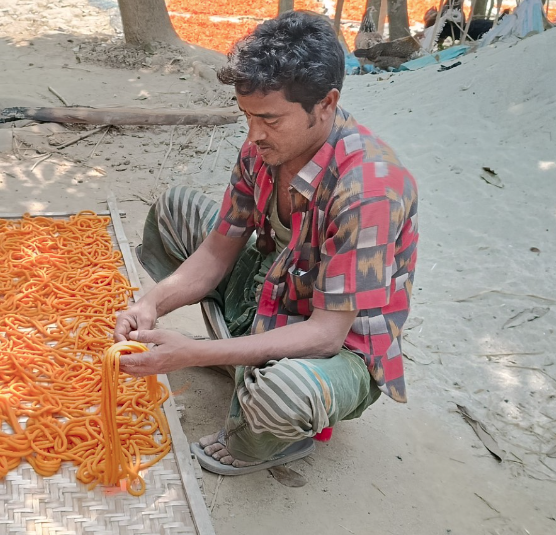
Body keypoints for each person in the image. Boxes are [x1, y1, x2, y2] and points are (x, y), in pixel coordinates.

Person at [114, 11, 418, 475]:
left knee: (282, 394)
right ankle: (239, 357)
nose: (253, 135)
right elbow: (218, 250)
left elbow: (324, 334)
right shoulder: (263, 149)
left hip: (335, 342)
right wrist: (151, 304)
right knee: (173, 210)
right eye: (247, 116)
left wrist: (194, 353)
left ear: (326, 104)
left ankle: (276, 430)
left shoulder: (369, 190)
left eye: (270, 119)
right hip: (275, 281)